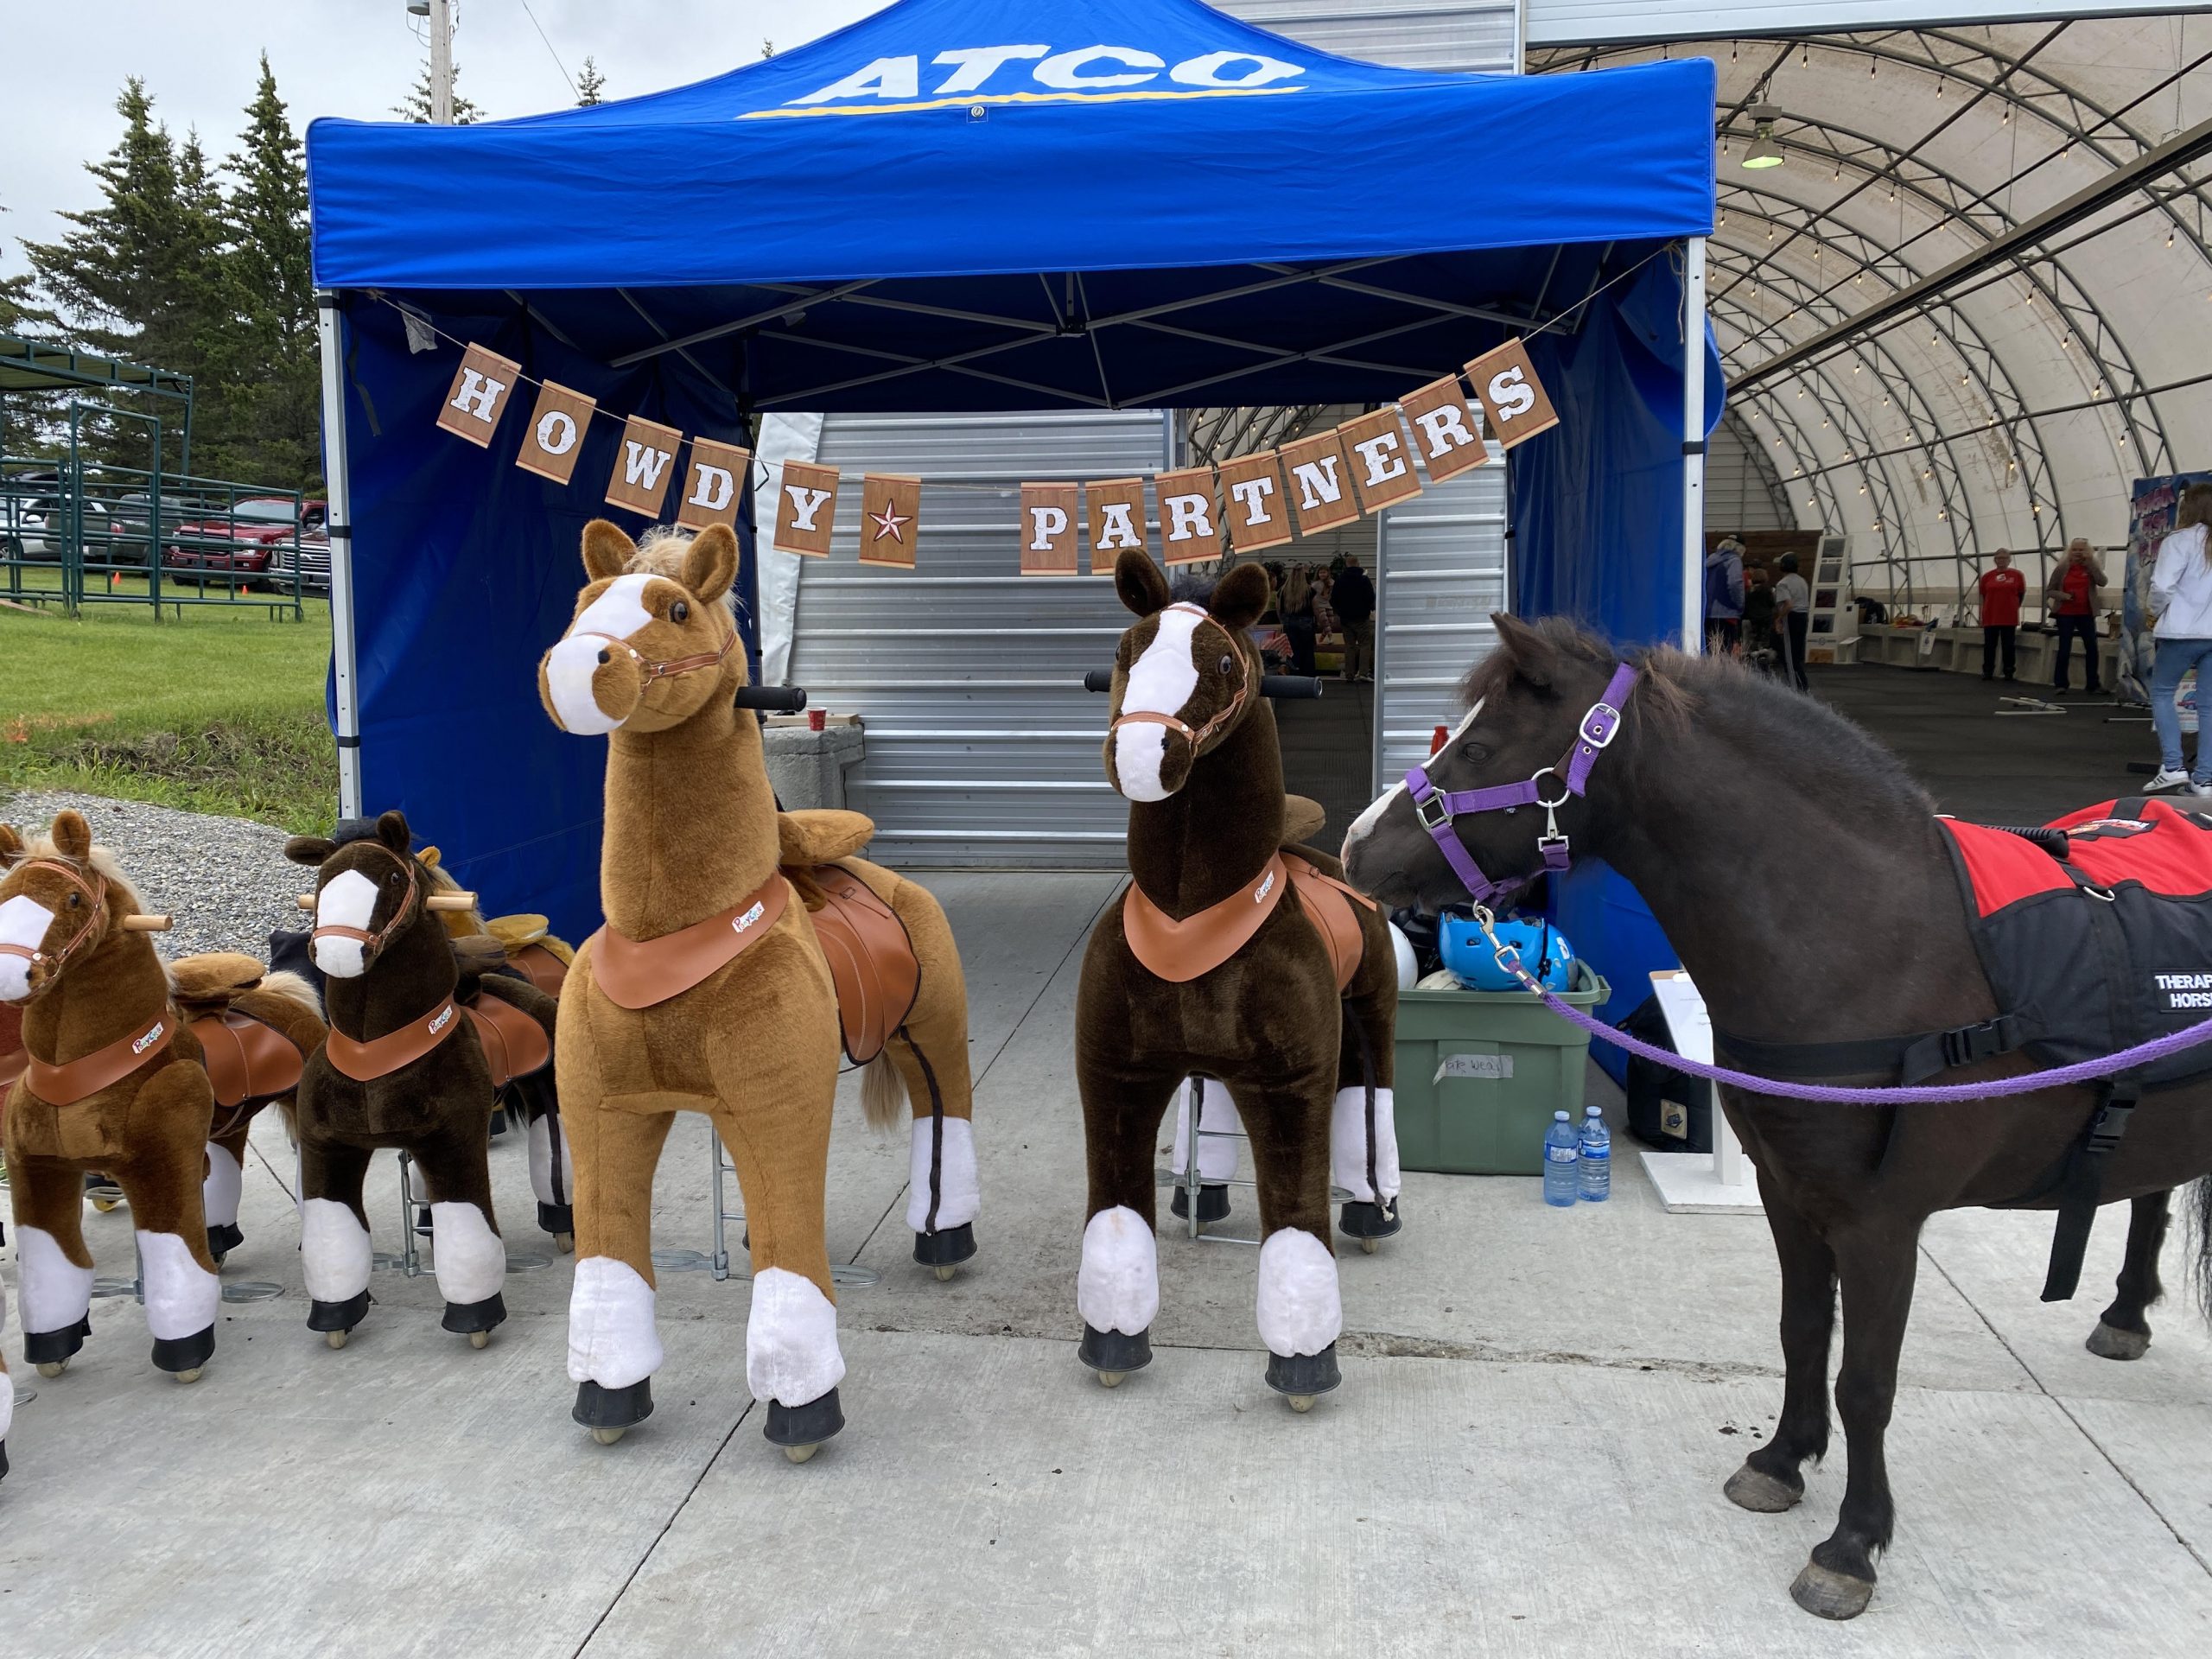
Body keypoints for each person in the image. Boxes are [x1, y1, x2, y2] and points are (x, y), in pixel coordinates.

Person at [2146, 482, 2212, 793]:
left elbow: (2161, 587)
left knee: (2161, 693)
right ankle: (2205, 777)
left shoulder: (2180, 540)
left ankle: (2173, 766)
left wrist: (2155, 613)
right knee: (2209, 706)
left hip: (2181, 632)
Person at [2046, 537, 2107, 694]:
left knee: (2092, 648)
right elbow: (2050, 590)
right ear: (2070, 551)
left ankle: (2093, 684)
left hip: (2086, 613)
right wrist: (2063, 596)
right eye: (2075, 550)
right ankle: (2061, 683)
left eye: (2081, 550)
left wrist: (2091, 564)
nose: (2078, 553)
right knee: (2064, 648)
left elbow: (2102, 582)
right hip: (2065, 613)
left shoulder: (2090, 568)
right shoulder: (2062, 569)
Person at [1975, 549, 2026, 681]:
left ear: (2009, 560)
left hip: (2009, 616)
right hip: (1991, 615)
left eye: (2004, 558)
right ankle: (1988, 671)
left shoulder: (2017, 575)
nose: (2001, 561)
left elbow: (2021, 594)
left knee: (2008, 645)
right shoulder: (1987, 577)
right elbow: (1983, 596)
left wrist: (2014, 606)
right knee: (1989, 645)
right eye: (1998, 558)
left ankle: (2009, 671)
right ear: (1995, 560)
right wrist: (1982, 614)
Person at [1332, 555, 1376, 683]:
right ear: (1358, 564)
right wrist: (1369, 608)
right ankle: (1363, 672)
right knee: (1365, 645)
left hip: (1346, 619)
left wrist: (1340, 612)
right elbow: (1370, 597)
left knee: (1349, 646)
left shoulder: (1340, 579)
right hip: (1362, 618)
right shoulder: (1364, 579)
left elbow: (1334, 598)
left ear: (1346, 564)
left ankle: (1349, 674)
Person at [1771, 552, 1811, 691]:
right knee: (1796, 654)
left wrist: (1779, 619)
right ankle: (1801, 685)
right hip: (1803, 617)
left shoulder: (1783, 584)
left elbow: (1788, 604)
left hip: (1791, 618)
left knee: (1788, 655)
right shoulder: (1802, 581)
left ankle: (1797, 686)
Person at [1705, 537, 1745, 654]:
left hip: (1708, 612)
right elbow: (1735, 583)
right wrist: (1739, 605)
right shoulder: (1734, 560)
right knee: (1725, 652)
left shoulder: (1709, 562)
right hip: (1726, 612)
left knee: (1711, 651)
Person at [1741, 566, 1780, 676]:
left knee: (1751, 645)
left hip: (1751, 619)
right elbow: (1772, 605)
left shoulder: (1749, 591)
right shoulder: (1768, 591)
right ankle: (1764, 669)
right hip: (1765, 620)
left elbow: (1745, 605)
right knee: (1764, 645)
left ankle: (1751, 668)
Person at [1281, 565, 1318, 675]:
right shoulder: (1310, 591)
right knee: (1307, 651)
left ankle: (1294, 674)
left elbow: (1279, 609)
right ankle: (1308, 677)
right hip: (1306, 623)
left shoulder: (1283, 591)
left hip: (1289, 622)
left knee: (1292, 651)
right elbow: (1316, 608)